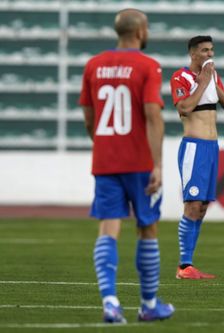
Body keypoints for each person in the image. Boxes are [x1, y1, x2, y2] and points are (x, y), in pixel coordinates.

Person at [79, 8, 174, 323]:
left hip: (106, 160)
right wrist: (157, 164)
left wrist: (104, 144)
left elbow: (89, 117)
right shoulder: (148, 66)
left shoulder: (93, 65)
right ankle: (148, 305)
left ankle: (110, 302)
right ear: (140, 31)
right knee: (147, 227)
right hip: (139, 162)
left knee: (108, 228)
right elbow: (153, 115)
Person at [170, 35, 224, 279]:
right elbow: (184, 108)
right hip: (194, 147)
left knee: (203, 207)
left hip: (211, 147)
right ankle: (184, 266)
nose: (210, 54)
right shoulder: (181, 77)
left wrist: (212, 83)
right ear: (193, 54)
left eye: (211, 50)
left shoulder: (213, 78)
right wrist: (202, 82)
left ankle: (189, 266)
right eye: (205, 50)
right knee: (193, 205)